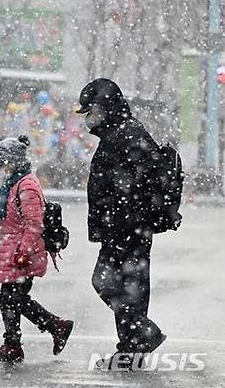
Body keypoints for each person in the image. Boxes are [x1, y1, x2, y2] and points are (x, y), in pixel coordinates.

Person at [77, 78, 167, 368]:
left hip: (128, 229)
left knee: (112, 283)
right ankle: (132, 347)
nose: (88, 118)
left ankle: (140, 336)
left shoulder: (128, 135)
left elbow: (149, 180)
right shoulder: (118, 134)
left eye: (91, 111)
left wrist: (129, 215)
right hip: (122, 227)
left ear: (106, 108)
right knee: (126, 287)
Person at [0, 135, 74, 364]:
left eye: (2, 163)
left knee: (11, 298)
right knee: (13, 299)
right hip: (14, 250)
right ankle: (48, 329)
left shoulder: (26, 185)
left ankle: (20, 342)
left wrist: (23, 252)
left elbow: (34, 224)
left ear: (11, 161)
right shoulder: (15, 183)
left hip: (23, 253)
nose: (1, 169)